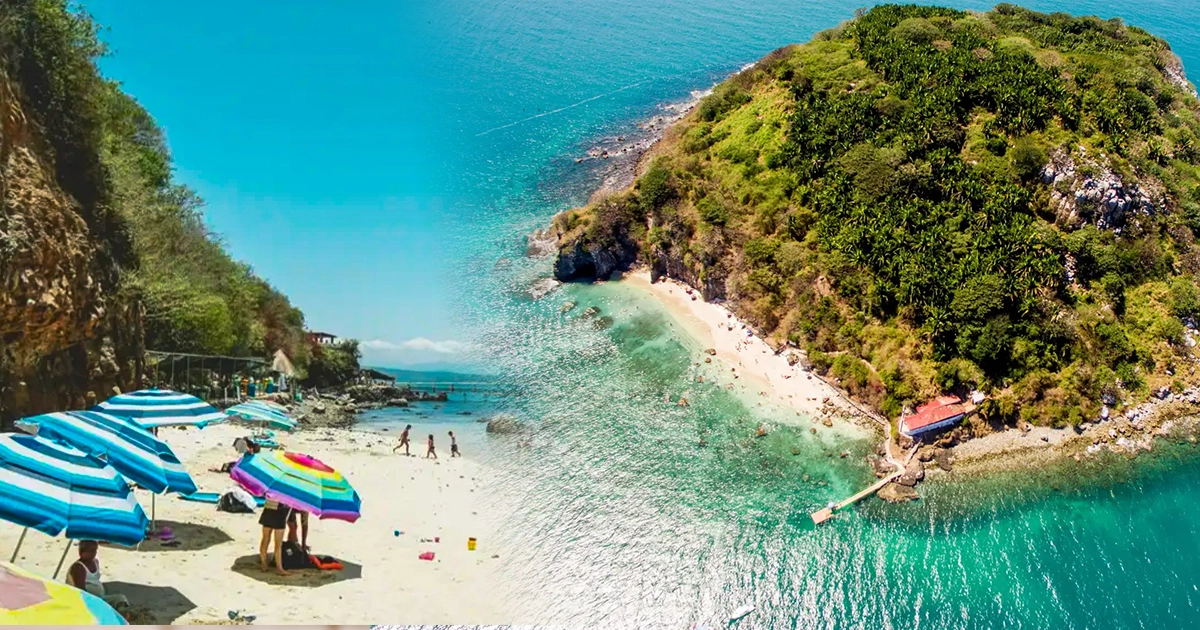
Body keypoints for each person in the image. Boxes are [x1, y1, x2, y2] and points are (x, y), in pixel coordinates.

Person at [66, 541, 129, 607]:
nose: (93, 553)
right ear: (82, 553)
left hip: (100, 598)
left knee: (121, 598)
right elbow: (81, 590)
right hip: (89, 601)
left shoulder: (95, 562)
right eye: (89, 551)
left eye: (94, 551)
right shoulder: (78, 567)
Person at [258, 500, 291, 576]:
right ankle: (279, 568)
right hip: (280, 510)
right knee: (278, 543)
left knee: (265, 538)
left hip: (269, 507)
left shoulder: (272, 489)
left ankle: (264, 564)